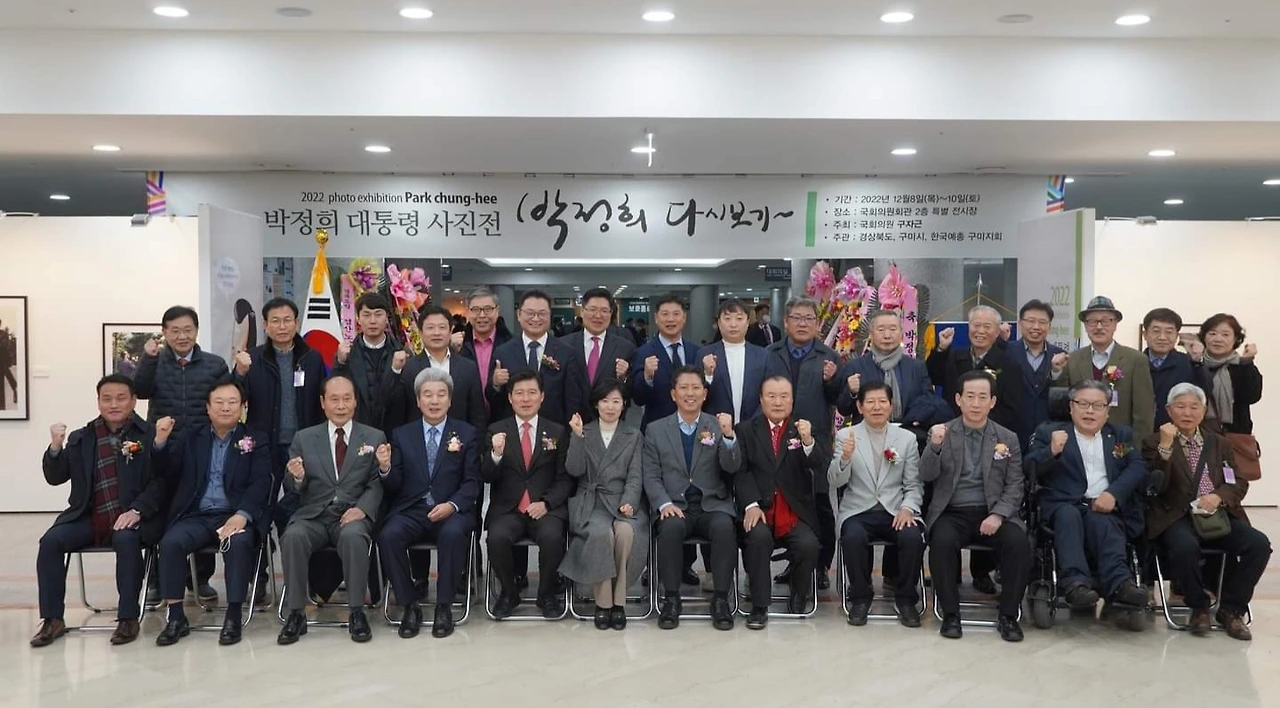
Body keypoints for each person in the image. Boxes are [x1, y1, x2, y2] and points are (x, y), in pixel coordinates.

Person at [30, 375, 165, 648]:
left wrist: (138, 510)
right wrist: (55, 448)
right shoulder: (82, 437)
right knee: (51, 542)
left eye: (121, 398)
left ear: (133, 401)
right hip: (88, 517)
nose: (113, 404)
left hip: (131, 516)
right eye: (107, 399)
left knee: (126, 539)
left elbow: (161, 481)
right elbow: (55, 477)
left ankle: (128, 617)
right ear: (98, 402)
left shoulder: (149, 435)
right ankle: (52, 619)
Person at [1142, 383, 1270, 640]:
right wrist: (1165, 448)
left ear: (1204, 410)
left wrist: (1219, 496)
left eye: (1194, 407)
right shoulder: (1153, 442)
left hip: (1216, 514)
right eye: (1180, 406)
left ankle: (1231, 609)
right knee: (1184, 547)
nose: (1187, 413)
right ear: (1168, 410)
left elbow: (1237, 482)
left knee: (1259, 545)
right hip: (1176, 514)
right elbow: (1154, 486)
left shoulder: (1219, 443)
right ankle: (1198, 606)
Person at [151, 379, 272, 647]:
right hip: (196, 515)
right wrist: (160, 442)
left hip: (234, 514)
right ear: (207, 407)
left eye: (232, 402)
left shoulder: (256, 439)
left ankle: (233, 616)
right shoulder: (191, 437)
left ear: (243, 407)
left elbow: (261, 482)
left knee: (238, 543)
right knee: (171, 542)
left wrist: (243, 515)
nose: (225, 408)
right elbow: (166, 472)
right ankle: (176, 617)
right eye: (219, 402)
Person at [921, 370, 1030, 642]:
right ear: (958, 399)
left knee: (1019, 543)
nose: (976, 403)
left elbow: (1015, 485)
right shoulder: (942, 432)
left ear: (992, 402)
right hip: (952, 512)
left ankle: (1008, 616)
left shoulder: (1007, 438)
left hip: (992, 511)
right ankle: (950, 614)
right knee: (941, 542)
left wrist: (998, 515)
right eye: (970, 396)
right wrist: (934, 447)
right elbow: (926, 475)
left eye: (983, 397)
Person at [277, 375, 387, 645]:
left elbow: (376, 482)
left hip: (351, 514)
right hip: (313, 514)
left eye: (347, 399)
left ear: (355, 402)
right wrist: (297, 477)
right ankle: (296, 613)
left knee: (353, 537)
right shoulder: (304, 438)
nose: (341, 405)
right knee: (293, 537)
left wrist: (363, 509)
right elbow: (292, 486)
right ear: (322, 402)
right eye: (334, 399)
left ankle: (356, 613)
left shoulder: (373, 437)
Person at [1024, 380, 1149, 614]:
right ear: (1071, 407)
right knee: (1069, 516)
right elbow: (1028, 468)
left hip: (1102, 505)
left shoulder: (1119, 435)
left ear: (1107, 411)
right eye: (1083, 404)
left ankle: (1121, 584)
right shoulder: (1049, 433)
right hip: (1063, 505)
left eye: (1097, 405)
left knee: (1104, 522)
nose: (1090, 411)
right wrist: (1051, 451)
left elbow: (1137, 467)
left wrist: (1114, 493)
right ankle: (1075, 584)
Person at [133, 305, 230, 604]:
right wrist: (148, 359)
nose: (182, 336)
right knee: (162, 515)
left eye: (187, 330)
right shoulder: (155, 361)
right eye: (174, 330)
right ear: (164, 332)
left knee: (201, 511)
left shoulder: (214, 364)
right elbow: (140, 390)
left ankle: (200, 579)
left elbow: (230, 396)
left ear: (196, 331)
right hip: (164, 449)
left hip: (202, 451)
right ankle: (158, 580)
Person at [234, 297, 327, 602]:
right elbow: (234, 398)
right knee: (260, 512)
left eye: (288, 320)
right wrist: (239, 373)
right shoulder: (253, 359)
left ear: (297, 323)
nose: (282, 326)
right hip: (265, 448)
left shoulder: (312, 358)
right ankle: (259, 577)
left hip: (304, 449)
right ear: (265, 325)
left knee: (304, 513)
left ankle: (308, 578)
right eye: (275, 321)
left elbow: (324, 402)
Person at [378, 367, 480, 639]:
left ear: (450, 399)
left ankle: (444, 606)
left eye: (441, 395)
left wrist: (452, 506)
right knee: (388, 535)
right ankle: (409, 604)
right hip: (411, 509)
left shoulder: (466, 433)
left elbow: (472, 482)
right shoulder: (402, 434)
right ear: (418, 400)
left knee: (453, 533)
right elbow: (394, 484)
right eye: (428, 395)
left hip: (451, 510)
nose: (434, 401)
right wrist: (386, 468)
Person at [643, 367, 742, 631]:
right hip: (675, 504)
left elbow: (732, 467)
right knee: (670, 528)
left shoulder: (716, 425)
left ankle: (720, 599)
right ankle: (671, 599)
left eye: (696, 388)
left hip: (712, 503)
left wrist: (729, 437)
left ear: (705, 393)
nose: (690, 393)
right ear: (673, 394)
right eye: (684, 388)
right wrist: (664, 503)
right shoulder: (655, 430)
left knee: (724, 528)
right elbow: (650, 475)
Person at [736, 375, 829, 629]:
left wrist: (808, 442)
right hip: (760, 507)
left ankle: (799, 595)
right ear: (761, 399)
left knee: (808, 545)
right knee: (757, 538)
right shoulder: (745, 430)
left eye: (784, 396)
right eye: (772, 396)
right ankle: (759, 606)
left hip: (794, 510)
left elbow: (819, 464)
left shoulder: (802, 429)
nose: (778, 402)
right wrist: (751, 505)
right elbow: (741, 472)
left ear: (792, 400)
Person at [828, 383, 925, 627]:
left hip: (895, 509)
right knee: (852, 537)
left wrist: (908, 508)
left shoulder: (907, 439)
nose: (877, 407)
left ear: (891, 406)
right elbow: (835, 481)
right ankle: (860, 597)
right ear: (860, 406)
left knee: (912, 537)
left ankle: (906, 600)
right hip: (858, 509)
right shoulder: (845, 436)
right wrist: (845, 459)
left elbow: (914, 484)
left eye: (882, 401)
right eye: (870, 402)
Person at [762, 296, 841, 590]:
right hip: (777, 440)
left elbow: (840, 399)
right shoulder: (770, 354)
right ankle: (795, 565)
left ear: (818, 323)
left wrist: (833, 380)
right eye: (797, 317)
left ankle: (820, 567)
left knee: (819, 505)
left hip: (814, 441)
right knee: (785, 503)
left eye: (809, 318)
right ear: (786, 321)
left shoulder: (828, 356)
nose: (803, 323)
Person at [482, 370, 573, 619]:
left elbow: (565, 479)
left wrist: (546, 503)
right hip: (508, 509)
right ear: (510, 398)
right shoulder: (496, 430)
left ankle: (546, 593)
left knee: (553, 537)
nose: (525, 399)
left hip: (545, 509)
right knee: (496, 538)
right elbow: (487, 476)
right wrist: (496, 455)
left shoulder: (557, 431)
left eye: (532, 393)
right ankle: (509, 592)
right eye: (519, 393)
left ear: (542, 397)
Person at [561, 381, 650, 630]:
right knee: (601, 535)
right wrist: (577, 437)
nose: (610, 407)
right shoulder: (584, 431)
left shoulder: (634, 435)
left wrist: (630, 501)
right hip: (591, 503)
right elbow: (574, 470)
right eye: (605, 401)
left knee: (625, 533)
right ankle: (603, 604)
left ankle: (618, 602)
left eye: (616, 401)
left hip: (622, 502)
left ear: (624, 405)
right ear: (596, 404)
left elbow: (636, 476)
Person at [836, 309, 949, 435]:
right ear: (871, 333)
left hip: (909, 435)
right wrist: (851, 392)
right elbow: (843, 409)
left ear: (901, 332)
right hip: (867, 436)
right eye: (881, 330)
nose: (887, 335)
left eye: (893, 329)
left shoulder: (916, 367)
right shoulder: (856, 367)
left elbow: (928, 402)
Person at [490, 289, 587, 425]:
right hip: (513, 430)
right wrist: (495, 384)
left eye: (542, 314)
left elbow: (572, 399)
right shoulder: (503, 352)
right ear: (519, 315)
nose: (536, 318)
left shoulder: (566, 353)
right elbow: (492, 400)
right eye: (530, 313)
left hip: (554, 429)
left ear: (550, 316)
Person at [1065, 296, 1155, 438]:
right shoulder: (1073, 359)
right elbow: (1063, 405)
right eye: (1092, 321)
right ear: (1085, 325)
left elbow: (1143, 413)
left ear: (1115, 324)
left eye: (1106, 321)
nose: (1099, 327)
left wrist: (1136, 447)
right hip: (1079, 442)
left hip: (1119, 443)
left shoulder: (1136, 360)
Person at [927, 305, 1024, 436]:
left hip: (992, 435)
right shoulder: (953, 357)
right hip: (953, 433)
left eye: (987, 327)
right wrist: (942, 348)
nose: (981, 331)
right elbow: (933, 377)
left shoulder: (1009, 365)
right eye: (976, 325)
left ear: (997, 332)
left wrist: (979, 424)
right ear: (969, 327)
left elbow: (1012, 410)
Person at [398, 305, 486, 433]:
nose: (436, 333)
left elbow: (477, 414)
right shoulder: (409, 368)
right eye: (430, 328)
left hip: (460, 440)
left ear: (450, 331)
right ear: (421, 332)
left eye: (442, 327)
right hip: (418, 440)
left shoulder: (468, 367)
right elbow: (401, 413)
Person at [332, 293, 408, 438]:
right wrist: (340, 363)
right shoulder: (347, 354)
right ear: (358, 319)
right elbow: (334, 390)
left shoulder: (401, 354)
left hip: (394, 432)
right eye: (366, 315)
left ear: (387, 318)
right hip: (356, 433)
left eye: (378, 314)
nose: (372, 321)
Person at [561, 288, 636, 415]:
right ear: (582, 311)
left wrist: (623, 377)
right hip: (571, 418)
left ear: (611, 314)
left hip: (609, 418)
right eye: (592, 309)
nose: (598, 315)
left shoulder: (625, 347)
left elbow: (633, 391)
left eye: (604, 311)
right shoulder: (564, 345)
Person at [632, 293, 700, 431]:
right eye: (665, 314)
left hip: (693, 428)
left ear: (684, 317)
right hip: (657, 429)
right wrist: (647, 377)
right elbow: (638, 399)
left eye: (676, 314)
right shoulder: (643, 353)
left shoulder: (696, 351)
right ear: (656, 318)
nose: (670, 319)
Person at [1007, 300, 1069, 448]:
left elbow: (1064, 395)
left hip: (1048, 436)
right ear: (1020, 324)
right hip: (1012, 433)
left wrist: (1056, 372)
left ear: (1049, 326)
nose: (1036, 327)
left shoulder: (1061, 356)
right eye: (1031, 321)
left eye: (1042, 322)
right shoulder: (1005, 352)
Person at [702, 298, 767, 425]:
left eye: (739, 318)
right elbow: (696, 396)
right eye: (727, 319)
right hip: (715, 426)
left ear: (747, 322)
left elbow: (768, 394)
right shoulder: (705, 354)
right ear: (719, 323)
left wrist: (753, 424)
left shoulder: (763, 355)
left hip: (754, 427)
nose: (733, 324)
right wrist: (708, 376)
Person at [1198, 313, 1263, 438]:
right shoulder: (1196, 366)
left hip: (1234, 436)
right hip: (1199, 436)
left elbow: (1251, 397)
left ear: (1235, 339)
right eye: (1212, 334)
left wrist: (1246, 362)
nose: (1218, 339)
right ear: (1204, 337)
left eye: (1225, 334)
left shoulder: (1242, 367)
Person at [451, 287, 513, 415]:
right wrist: (450, 351)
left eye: (488, 309)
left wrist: (496, 385)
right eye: (476, 309)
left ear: (497, 311)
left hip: (502, 418)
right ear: (468, 312)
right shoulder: (457, 345)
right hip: (466, 418)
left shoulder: (511, 345)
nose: (482, 315)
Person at [1142, 308, 1206, 431]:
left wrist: (1197, 362)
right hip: (1141, 432)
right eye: (1156, 331)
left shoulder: (1188, 363)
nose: (1162, 337)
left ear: (1177, 336)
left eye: (1169, 332)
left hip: (1177, 432)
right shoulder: (1135, 362)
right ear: (1145, 335)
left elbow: (1204, 391)